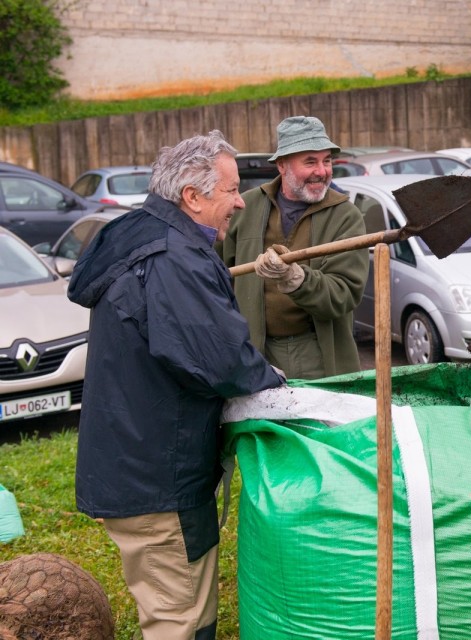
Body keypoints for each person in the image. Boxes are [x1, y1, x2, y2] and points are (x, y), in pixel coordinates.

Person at [67, 130, 286, 640]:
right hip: (156, 476)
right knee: (177, 617)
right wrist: (272, 383)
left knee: (185, 600)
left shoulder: (140, 234)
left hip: (140, 461)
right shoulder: (172, 259)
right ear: (193, 196)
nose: (239, 201)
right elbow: (218, 359)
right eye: (231, 190)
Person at [220, 115, 368, 379]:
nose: (321, 171)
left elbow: (344, 295)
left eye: (327, 160)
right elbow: (217, 278)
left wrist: (295, 278)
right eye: (310, 161)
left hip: (319, 354)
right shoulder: (246, 207)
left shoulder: (345, 216)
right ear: (282, 165)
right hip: (255, 351)